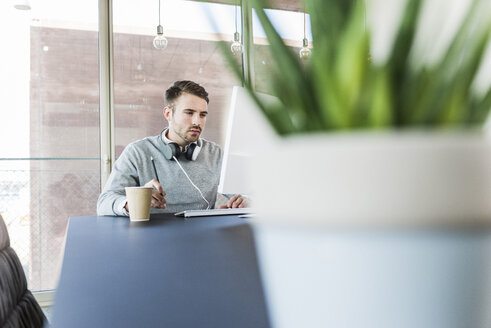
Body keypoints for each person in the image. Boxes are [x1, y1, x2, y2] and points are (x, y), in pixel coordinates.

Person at [97, 80, 246, 216]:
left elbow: (247, 195)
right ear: (168, 113)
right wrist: (134, 202)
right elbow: (104, 203)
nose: (197, 121)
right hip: (153, 236)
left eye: (202, 115)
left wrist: (245, 202)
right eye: (189, 113)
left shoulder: (215, 154)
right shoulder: (137, 152)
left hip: (203, 236)